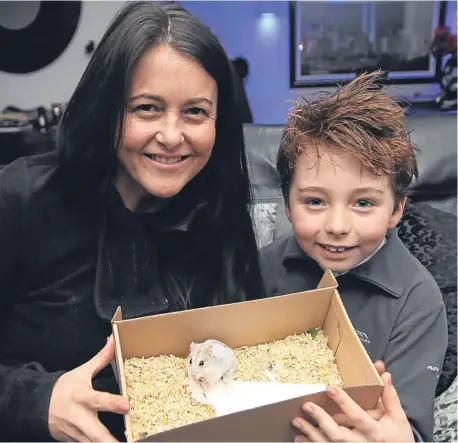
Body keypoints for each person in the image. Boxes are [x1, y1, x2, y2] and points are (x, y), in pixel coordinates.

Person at [0, 2, 264, 441]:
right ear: (107, 108)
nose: (172, 135)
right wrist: (37, 399)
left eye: (196, 112)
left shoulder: (221, 210)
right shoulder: (24, 198)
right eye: (146, 108)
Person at [259, 71, 448, 442]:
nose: (337, 225)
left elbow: (409, 429)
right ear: (286, 204)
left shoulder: (418, 304)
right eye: (315, 201)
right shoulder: (265, 265)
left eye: (363, 203)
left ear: (396, 209)